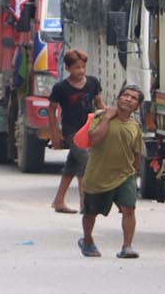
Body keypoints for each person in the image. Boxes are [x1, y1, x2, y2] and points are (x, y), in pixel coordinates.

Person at [78, 85, 145, 259]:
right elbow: (95, 139)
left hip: (124, 175)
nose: (128, 99)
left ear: (137, 106)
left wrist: (134, 174)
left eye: (133, 98)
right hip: (98, 176)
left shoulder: (135, 127)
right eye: (126, 95)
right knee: (90, 212)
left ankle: (127, 246)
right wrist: (107, 118)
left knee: (129, 209)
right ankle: (87, 240)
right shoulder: (101, 117)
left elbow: (136, 153)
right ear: (119, 98)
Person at [49, 49, 103, 214]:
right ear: (67, 68)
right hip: (71, 131)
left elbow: (100, 105)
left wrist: (107, 121)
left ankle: (58, 201)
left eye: (83, 67)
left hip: (88, 129)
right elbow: (51, 110)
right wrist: (55, 133)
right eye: (76, 68)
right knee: (86, 163)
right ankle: (84, 203)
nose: (80, 71)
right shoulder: (60, 88)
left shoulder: (93, 83)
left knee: (72, 165)